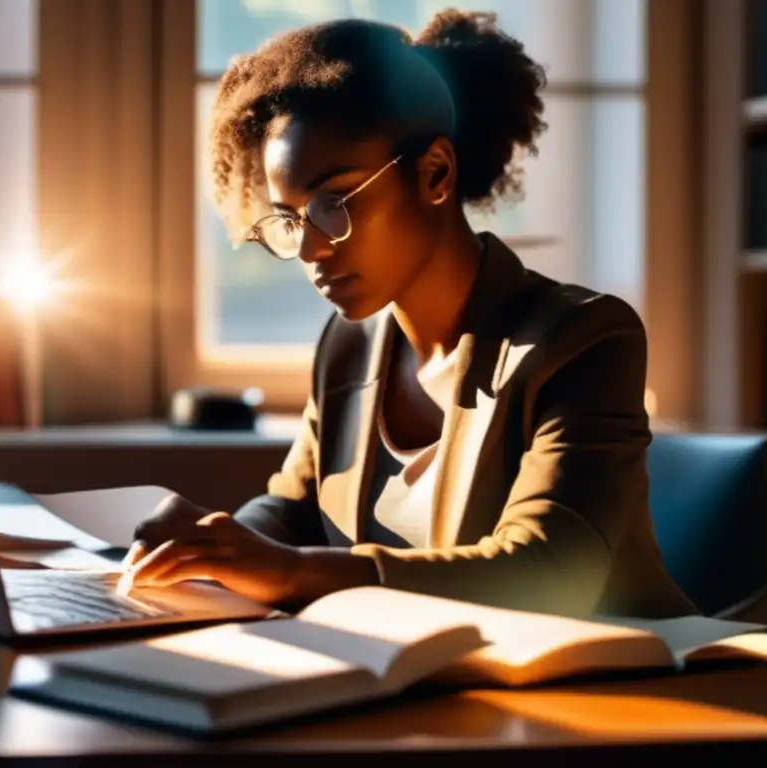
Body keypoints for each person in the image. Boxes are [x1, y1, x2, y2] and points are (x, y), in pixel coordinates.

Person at [120, 9, 698, 619]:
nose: (312, 248)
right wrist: (206, 546)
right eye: (291, 219)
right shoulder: (349, 345)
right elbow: (293, 509)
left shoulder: (582, 339)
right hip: (423, 692)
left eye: (332, 203)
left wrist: (285, 571)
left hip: (615, 695)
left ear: (435, 175)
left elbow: (551, 573)